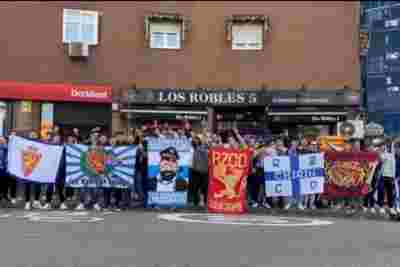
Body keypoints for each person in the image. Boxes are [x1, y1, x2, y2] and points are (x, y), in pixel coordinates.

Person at [24, 131, 43, 210]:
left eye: (34, 134)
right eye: (31, 134)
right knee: (27, 185)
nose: (32, 135)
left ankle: (36, 201)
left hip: (37, 167)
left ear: (36, 136)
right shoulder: (25, 143)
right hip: (28, 167)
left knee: (38, 185)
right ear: (29, 135)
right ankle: (27, 202)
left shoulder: (41, 143)